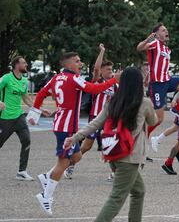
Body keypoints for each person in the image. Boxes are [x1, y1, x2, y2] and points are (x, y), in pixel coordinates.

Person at [64, 67, 158, 222]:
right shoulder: (145, 103)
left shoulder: (113, 101)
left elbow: (95, 123)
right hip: (130, 158)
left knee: (139, 191)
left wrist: (75, 138)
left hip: (114, 153)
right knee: (116, 198)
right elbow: (153, 121)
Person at [32, 52, 120, 215]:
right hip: (65, 127)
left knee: (77, 156)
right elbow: (94, 90)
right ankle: (46, 195)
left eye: (80, 60)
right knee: (63, 162)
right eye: (77, 61)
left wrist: (35, 111)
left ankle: (47, 176)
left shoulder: (56, 78)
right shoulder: (74, 78)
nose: (80, 63)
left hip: (64, 125)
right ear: (68, 65)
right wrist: (115, 80)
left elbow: (42, 93)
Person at [64, 44, 117, 180]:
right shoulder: (97, 81)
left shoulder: (115, 85)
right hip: (96, 117)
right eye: (108, 69)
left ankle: (115, 172)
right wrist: (102, 51)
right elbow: (96, 68)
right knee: (87, 146)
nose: (111, 71)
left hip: (109, 118)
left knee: (110, 144)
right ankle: (71, 164)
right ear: (102, 72)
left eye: (112, 69)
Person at [0, 56, 51, 181]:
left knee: (26, 141)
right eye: (24, 63)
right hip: (5, 118)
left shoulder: (23, 80)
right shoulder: (6, 78)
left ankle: (21, 172)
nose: (26, 64)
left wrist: (40, 109)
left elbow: (27, 99)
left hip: (19, 117)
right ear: (17, 65)